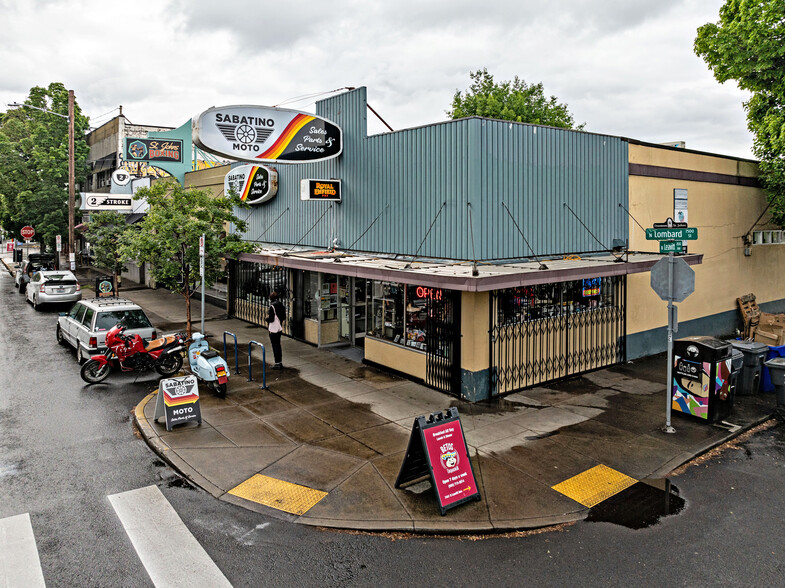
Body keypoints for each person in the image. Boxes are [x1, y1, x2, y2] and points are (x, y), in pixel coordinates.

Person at [266, 291, 286, 369]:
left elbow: (271, 319)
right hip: (279, 328)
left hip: (273, 329)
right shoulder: (281, 305)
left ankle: (277, 362)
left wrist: (266, 319)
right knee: (278, 345)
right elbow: (283, 317)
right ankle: (279, 362)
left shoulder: (272, 307)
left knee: (274, 345)